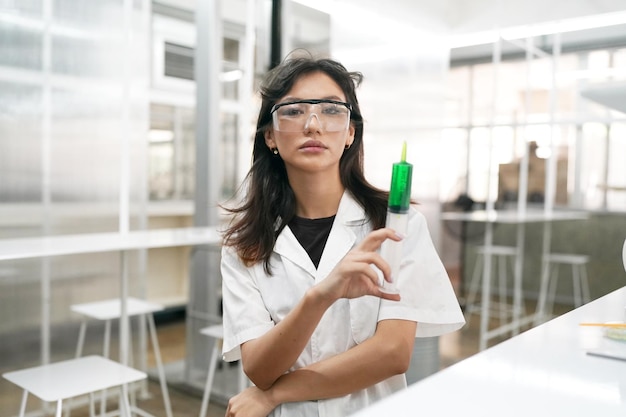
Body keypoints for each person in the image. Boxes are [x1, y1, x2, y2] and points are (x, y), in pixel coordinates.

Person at [219, 55, 465, 417]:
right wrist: (321, 296)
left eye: (332, 110)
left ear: (350, 132)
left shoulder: (398, 225)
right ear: (269, 135)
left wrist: (273, 394)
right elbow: (258, 367)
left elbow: (392, 354)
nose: (313, 125)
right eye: (293, 111)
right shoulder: (245, 242)